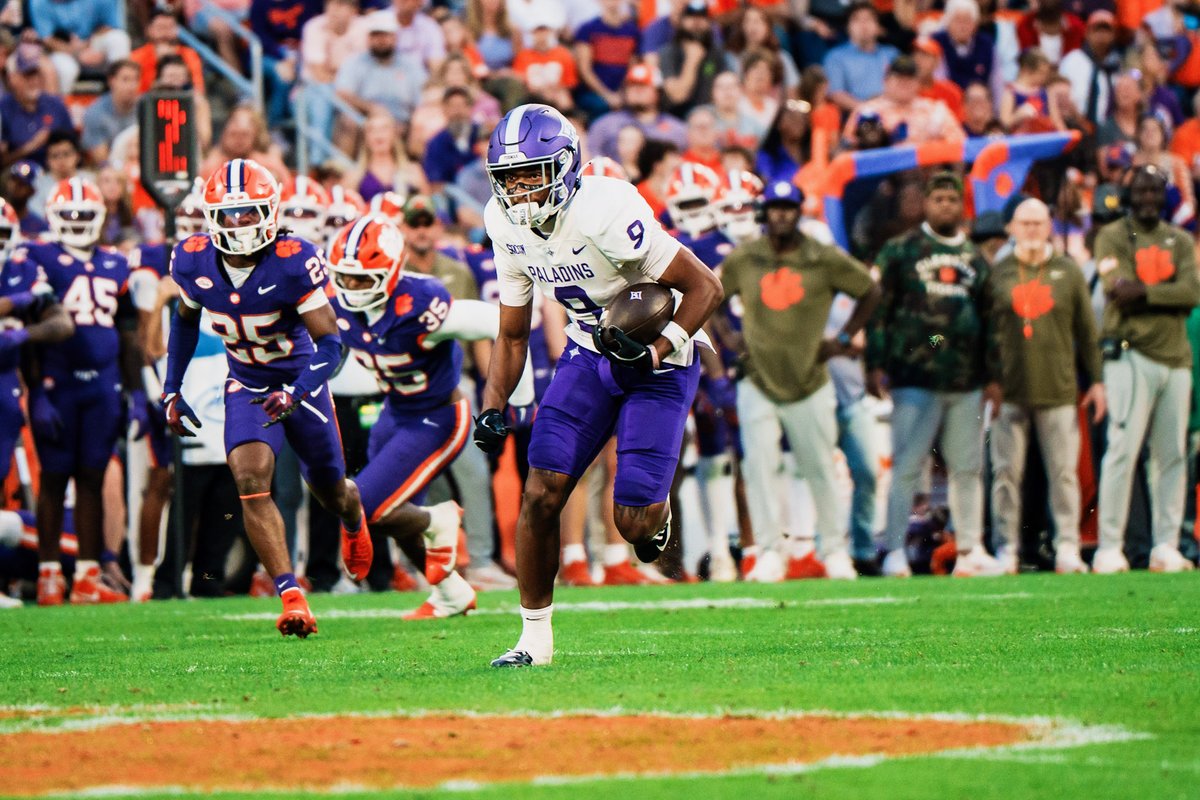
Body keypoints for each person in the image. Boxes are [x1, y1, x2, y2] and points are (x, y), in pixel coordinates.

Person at [473, 104, 722, 666]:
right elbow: (512, 333)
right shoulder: (502, 221)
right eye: (507, 178)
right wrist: (492, 406)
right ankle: (533, 640)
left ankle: (650, 518)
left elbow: (706, 288)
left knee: (631, 522)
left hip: (661, 359)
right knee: (541, 491)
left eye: (530, 174)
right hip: (589, 353)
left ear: (563, 167)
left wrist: (655, 347)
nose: (518, 190)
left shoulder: (605, 207)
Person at [162, 159, 373, 636]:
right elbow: (183, 322)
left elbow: (332, 344)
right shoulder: (192, 259)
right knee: (251, 477)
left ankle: (353, 514)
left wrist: (297, 391)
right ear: (211, 216)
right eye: (230, 215)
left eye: (250, 212)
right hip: (248, 384)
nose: (240, 225)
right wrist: (171, 388)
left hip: (301, 381)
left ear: (272, 212)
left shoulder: (294, 259)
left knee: (330, 490)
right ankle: (291, 596)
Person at [327, 216, 532, 617]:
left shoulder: (420, 304)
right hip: (393, 412)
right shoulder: (337, 307)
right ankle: (451, 593)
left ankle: (439, 519)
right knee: (391, 517)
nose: (351, 289)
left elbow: (499, 323)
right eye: (344, 278)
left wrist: (518, 396)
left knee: (365, 506)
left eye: (362, 279)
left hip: (438, 415)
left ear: (389, 273)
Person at [719, 180, 879, 581]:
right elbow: (710, 295)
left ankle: (835, 551)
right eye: (774, 207)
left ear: (799, 211)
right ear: (765, 211)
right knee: (759, 467)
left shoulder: (821, 257)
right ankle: (772, 551)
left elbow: (870, 290)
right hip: (757, 378)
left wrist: (842, 339)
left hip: (810, 378)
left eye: (788, 207)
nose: (781, 215)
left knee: (820, 467)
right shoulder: (745, 257)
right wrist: (727, 337)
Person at [866, 172, 1005, 578]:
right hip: (914, 378)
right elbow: (879, 310)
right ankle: (893, 550)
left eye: (952, 199)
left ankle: (970, 549)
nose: (946, 205)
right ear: (926, 203)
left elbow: (991, 320)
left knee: (967, 467)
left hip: (966, 382)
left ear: (961, 205)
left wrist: (993, 376)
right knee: (907, 465)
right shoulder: (899, 250)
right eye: (939, 198)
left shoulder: (976, 259)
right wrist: (875, 362)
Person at [20, 178, 140, 605]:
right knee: (54, 477)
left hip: (103, 384)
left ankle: (87, 576)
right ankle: (50, 574)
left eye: (84, 215)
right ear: (53, 218)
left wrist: (137, 392)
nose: (76, 222)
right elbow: (31, 328)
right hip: (58, 382)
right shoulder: (36, 256)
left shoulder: (115, 261)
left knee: (91, 475)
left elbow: (128, 333)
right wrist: (38, 390)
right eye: (68, 215)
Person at [986, 198, 1105, 575]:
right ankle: (1007, 547)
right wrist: (988, 381)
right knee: (1006, 472)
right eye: (1025, 223)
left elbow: (1088, 334)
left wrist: (1097, 382)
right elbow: (985, 334)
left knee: (1064, 473)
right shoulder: (999, 272)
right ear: (1012, 228)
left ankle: (1067, 545)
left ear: (1050, 224)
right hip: (1010, 389)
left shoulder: (1068, 272)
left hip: (1058, 388)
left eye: (1039, 222)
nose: (1033, 230)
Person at [1093, 165, 1200, 574]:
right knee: (1122, 450)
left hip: (1176, 358)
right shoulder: (1112, 234)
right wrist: (1162, 294)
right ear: (1128, 194)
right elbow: (1116, 290)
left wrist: (1145, 292)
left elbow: (1192, 292)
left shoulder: (1181, 239)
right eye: (1141, 190)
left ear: (1165, 194)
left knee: (1172, 454)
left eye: (1156, 190)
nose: (1148, 197)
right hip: (1130, 354)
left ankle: (1166, 545)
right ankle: (1109, 546)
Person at [333, 11, 427, 146]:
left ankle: (420, 166)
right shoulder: (355, 62)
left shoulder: (410, 64)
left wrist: (413, 119)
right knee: (348, 120)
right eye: (375, 35)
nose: (380, 40)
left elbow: (423, 97)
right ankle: (341, 167)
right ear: (368, 38)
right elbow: (342, 93)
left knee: (424, 122)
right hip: (364, 120)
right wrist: (371, 108)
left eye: (385, 35)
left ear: (395, 37)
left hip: (402, 121)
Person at [844, 56, 964, 146]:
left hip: (927, 171)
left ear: (918, 83)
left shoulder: (936, 111)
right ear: (885, 81)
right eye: (899, 77)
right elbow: (848, 151)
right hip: (882, 175)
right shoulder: (866, 111)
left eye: (910, 78)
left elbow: (959, 145)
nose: (904, 82)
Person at [588, 63, 687, 161]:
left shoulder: (676, 129)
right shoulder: (604, 125)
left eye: (643, 86)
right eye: (632, 85)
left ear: (658, 92)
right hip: (614, 175)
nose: (637, 91)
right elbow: (590, 158)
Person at [27, 0, 131, 94]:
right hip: (63, 50)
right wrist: (76, 53)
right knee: (66, 69)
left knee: (119, 39)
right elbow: (47, 39)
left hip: (92, 43)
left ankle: (120, 96)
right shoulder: (38, 2)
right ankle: (62, 110)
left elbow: (111, 25)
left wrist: (89, 44)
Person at [659, 0, 735, 117]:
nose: (696, 22)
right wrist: (692, 60)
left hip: (710, 117)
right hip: (675, 118)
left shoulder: (716, 52)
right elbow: (678, 96)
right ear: (681, 22)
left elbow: (724, 91)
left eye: (702, 17)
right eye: (691, 17)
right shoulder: (669, 52)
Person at [0, 49, 75, 168]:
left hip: (55, 172)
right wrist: (30, 147)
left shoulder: (55, 105)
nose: (34, 81)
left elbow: (74, 146)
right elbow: (2, 162)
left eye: (36, 74)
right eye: (27, 75)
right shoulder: (3, 109)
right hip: (18, 175)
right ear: (12, 78)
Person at [823, 2, 900, 113]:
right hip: (856, 116)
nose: (863, 25)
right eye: (856, 20)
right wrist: (868, 110)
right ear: (848, 27)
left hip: (894, 111)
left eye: (869, 19)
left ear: (878, 27)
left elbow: (906, 83)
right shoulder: (836, 57)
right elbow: (836, 94)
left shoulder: (892, 54)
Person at [573, 0, 639, 118]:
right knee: (601, 106)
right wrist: (607, 95)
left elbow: (632, 67)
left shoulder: (632, 31)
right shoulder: (588, 29)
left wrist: (622, 93)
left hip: (623, 91)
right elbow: (585, 70)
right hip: (593, 93)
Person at [1058, 10, 1119, 127]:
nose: (1101, 34)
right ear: (1087, 33)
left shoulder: (1116, 66)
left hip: (1105, 130)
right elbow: (1059, 95)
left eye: (1106, 30)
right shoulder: (1073, 60)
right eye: (1097, 29)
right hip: (1073, 124)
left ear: (1113, 35)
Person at [129, 8, 206, 95]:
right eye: (160, 28)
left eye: (170, 27)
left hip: (183, 103)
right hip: (148, 103)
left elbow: (198, 89)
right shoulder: (136, 57)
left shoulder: (189, 54)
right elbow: (133, 91)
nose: (165, 33)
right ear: (149, 30)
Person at [81, 60, 141, 165]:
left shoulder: (145, 109)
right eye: (125, 79)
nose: (132, 86)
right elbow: (102, 161)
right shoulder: (95, 113)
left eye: (135, 79)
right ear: (112, 81)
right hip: (112, 171)